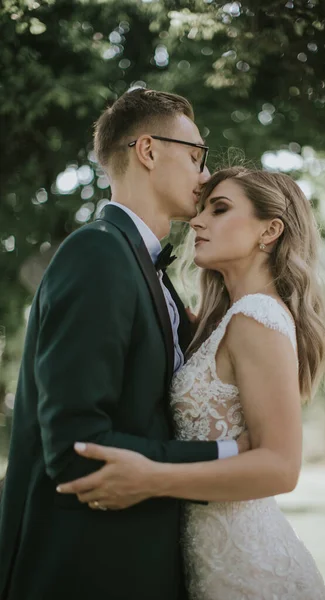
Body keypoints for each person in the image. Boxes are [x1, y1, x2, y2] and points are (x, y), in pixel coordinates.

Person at [0, 89, 250, 600]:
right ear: (149, 151)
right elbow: (76, 446)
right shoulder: (97, 254)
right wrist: (226, 453)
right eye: (197, 155)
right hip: (85, 569)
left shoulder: (151, 273)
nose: (205, 176)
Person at [58, 166, 325, 599]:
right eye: (202, 209)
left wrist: (152, 478)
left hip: (247, 568)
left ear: (270, 230)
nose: (198, 221)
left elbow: (282, 467)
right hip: (204, 559)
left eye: (219, 209)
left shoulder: (256, 318)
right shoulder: (224, 321)